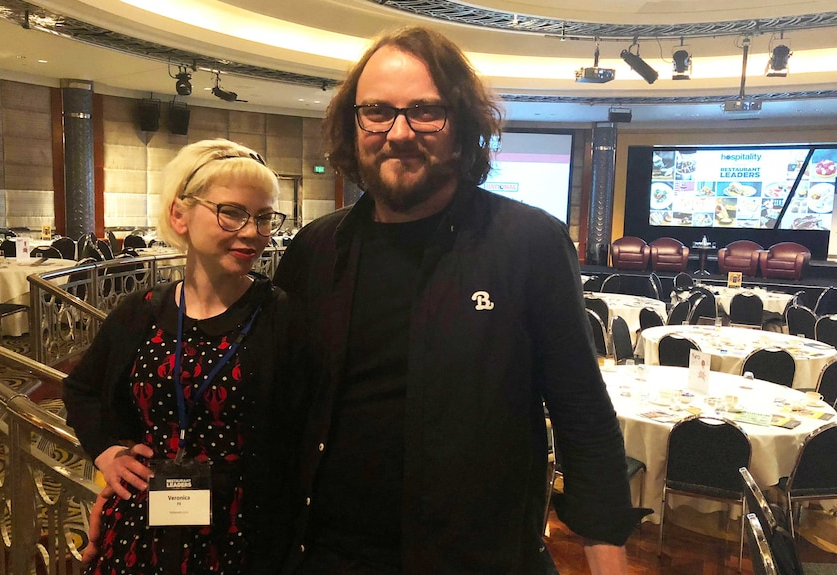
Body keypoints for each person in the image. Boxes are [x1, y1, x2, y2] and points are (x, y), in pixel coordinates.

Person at [271, 26, 649, 574]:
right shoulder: (317, 247)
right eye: (377, 110)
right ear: (353, 125)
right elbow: (277, 400)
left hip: (478, 557)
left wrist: (606, 557)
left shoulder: (530, 243)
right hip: (329, 554)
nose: (399, 132)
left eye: (425, 111)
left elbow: (582, 411)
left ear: (462, 125)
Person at [64, 138, 300, 574]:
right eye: (231, 212)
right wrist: (106, 455)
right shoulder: (141, 310)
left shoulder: (283, 317)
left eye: (265, 217)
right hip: (143, 522)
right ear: (180, 214)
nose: (252, 232)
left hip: (244, 531)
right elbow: (81, 389)